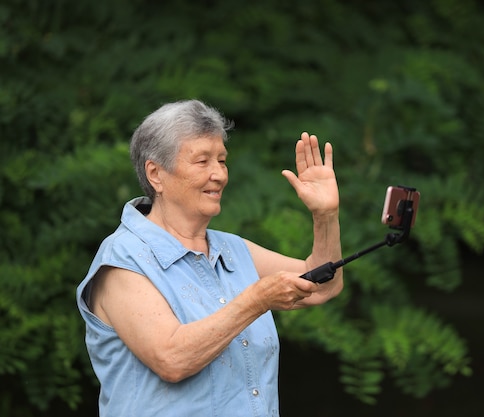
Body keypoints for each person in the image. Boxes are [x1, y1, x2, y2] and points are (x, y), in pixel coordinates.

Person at [76, 99, 343, 417]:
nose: (219, 174)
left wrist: (325, 215)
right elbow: (172, 359)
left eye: (221, 160)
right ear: (156, 174)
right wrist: (256, 300)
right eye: (202, 161)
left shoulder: (233, 250)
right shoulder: (123, 259)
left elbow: (323, 284)